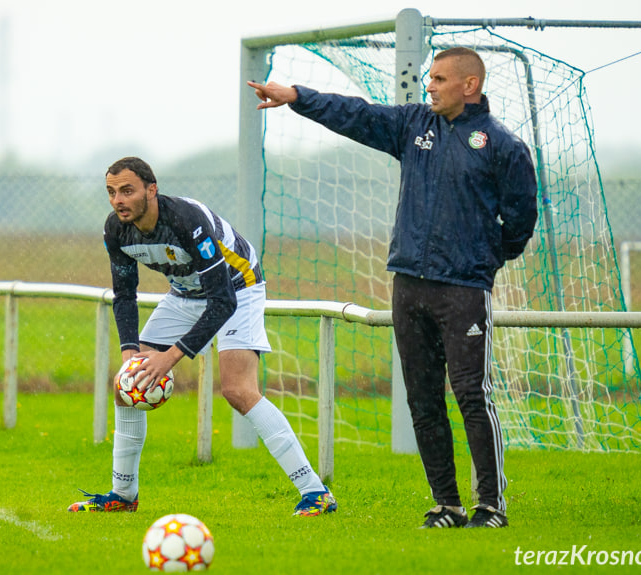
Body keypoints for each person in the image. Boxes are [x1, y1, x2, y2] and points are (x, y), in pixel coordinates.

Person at [248, 47, 537, 529]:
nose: (431, 86)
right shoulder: (412, 126)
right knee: (422, 399)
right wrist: (297, 96)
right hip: (408, 285)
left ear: (470, 85)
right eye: (430, 79)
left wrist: (483, 260)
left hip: (463, 288)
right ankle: (447, 504)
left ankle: (491, 505)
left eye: (441, 79)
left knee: (470, 394)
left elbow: (521, 220)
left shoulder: (502, 146)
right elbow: (356, 115)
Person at [68, 156, 337, 517]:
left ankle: (316, 492)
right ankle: (123, 495)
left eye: (127, 191)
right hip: (185, 294)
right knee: (125, 383)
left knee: (238, 390)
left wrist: (170, 357)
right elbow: (125, 295)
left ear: (152, 190)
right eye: (112, 192)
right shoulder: (116, 230)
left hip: (238, 288)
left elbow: (222, 299)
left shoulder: (184, 220)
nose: (119, 200)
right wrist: (131, 352)